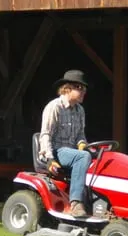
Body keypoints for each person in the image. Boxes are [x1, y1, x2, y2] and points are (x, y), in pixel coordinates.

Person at [38, 69, 91, 218]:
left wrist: (82, 144)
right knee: (83, 157)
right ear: (67, 88)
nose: (83, 92)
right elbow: (45, 135)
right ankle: (76, 203)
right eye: (79, 88)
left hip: (73, 152)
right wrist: (49, 159)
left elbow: (80, 134)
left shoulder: (80, 110)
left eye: (84, 88)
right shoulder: (54, 107)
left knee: (96, 158)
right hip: (57, 151)